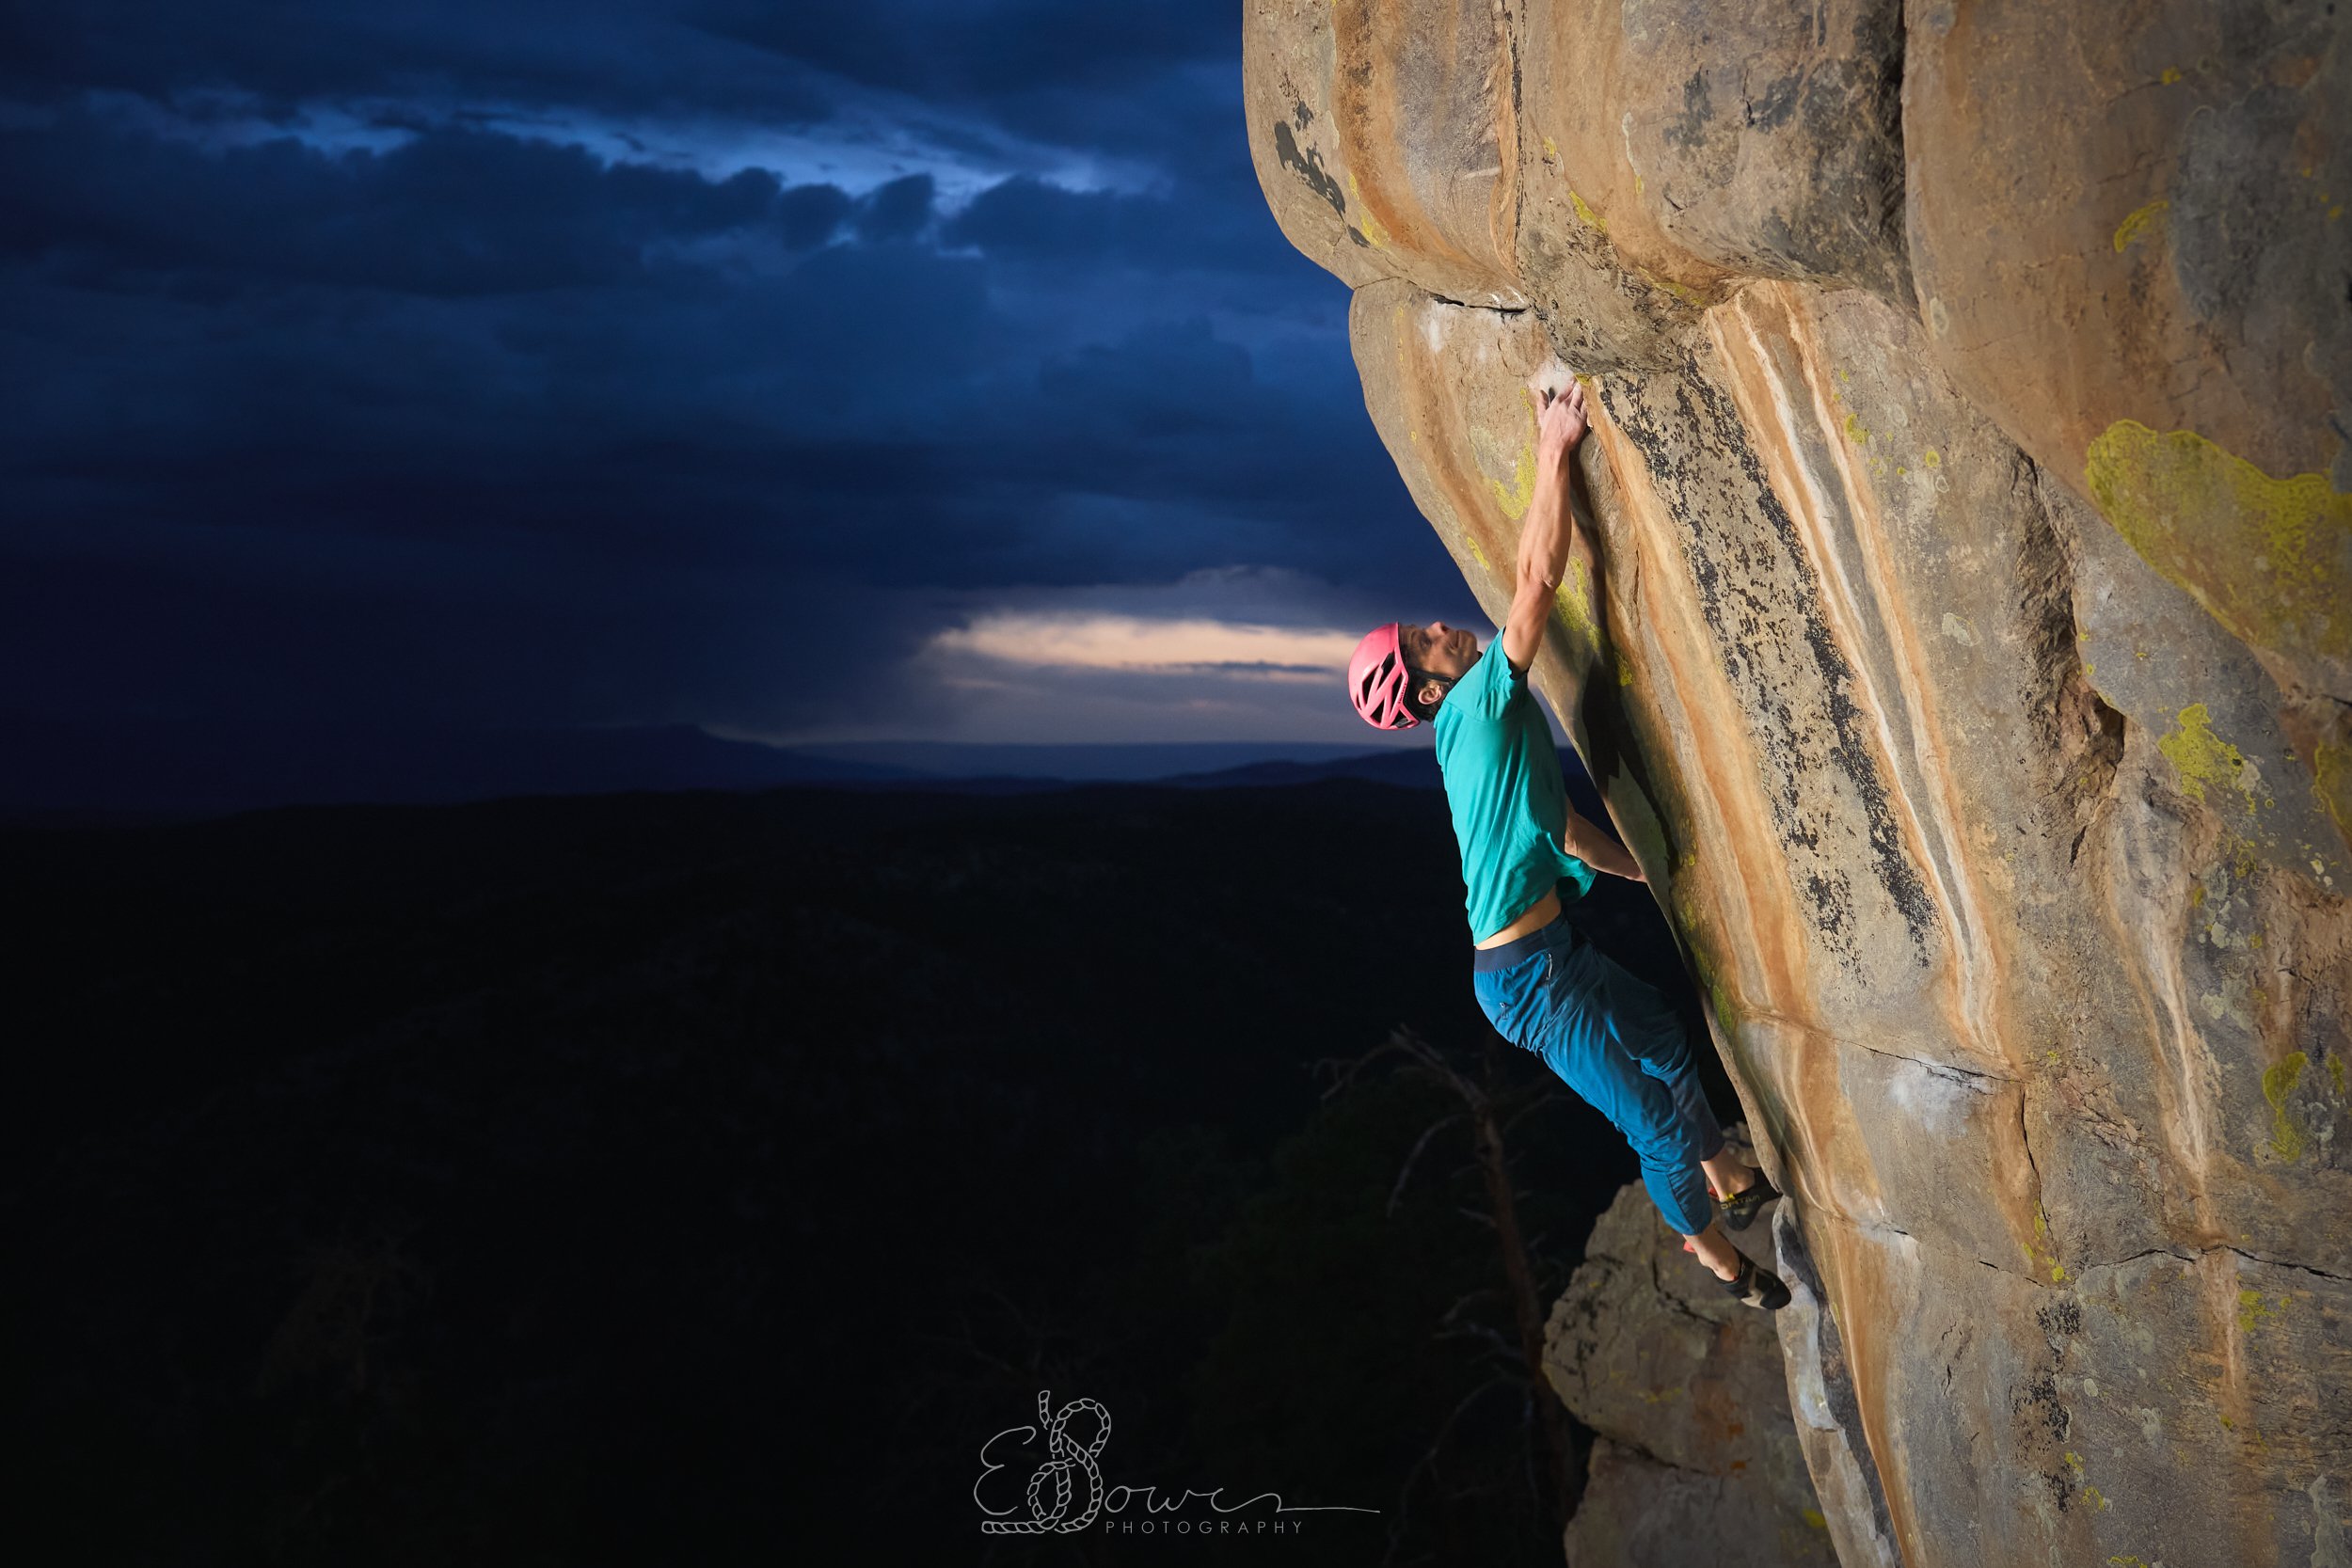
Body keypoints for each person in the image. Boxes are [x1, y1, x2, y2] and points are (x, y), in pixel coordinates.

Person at [1345, 377, 1789, 1310]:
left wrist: (1651, 876)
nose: (1435, 626)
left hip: (1548, 955)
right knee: (1657, 1127)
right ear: (1424, 688)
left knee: (1667, 1034)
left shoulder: (1481, 734)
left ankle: (1732, 1179)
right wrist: (1555, 448)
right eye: (1419, 642)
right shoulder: (1473, 705)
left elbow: (1562, 830)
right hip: (1528, 982)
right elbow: (1537, 585)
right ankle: (1720, 1261)